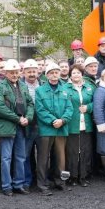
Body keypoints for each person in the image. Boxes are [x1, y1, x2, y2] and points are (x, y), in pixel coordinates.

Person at [0, 59, 34, 196]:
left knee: (21, 156)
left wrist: (28, 117)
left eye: (16, 72)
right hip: (7, 126)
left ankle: (19, 184)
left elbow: (30, 104)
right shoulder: (0, 87)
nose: (14, 75)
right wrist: (18, 119)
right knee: (6, 158)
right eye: (11, 72)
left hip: (22, 126)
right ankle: (6, 186)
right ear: (5, 73)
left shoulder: (23, 86)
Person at [35, 63, 73, 196]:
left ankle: (60, 182)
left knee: (60, 158)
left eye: (56, 72)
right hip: (46, 129)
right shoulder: (40, 90)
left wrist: (62, 120)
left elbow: (70, 108)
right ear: (47, 75)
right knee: (43, 158)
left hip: (61, 128)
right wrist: (53, 121)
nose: (54, 74)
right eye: (51, 72)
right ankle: (42, 184)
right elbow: (40, 110)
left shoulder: (66, 90)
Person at [64, 64, 95, 187]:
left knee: (85, 152)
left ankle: (83, 176)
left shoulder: (89, 88)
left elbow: (95, 102)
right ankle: (73, 176)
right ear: (70, 75)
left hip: (86, 124)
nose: (76, 75)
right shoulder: (65, 88)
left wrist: (88, 107)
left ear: (82, 74)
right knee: (72, 152)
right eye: (73, 73)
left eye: (78, 73)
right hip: (72, 124)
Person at [21, 59, 42, 190]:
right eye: (29, 71)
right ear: (24, 72)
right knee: (25, 155)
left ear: (38, 72)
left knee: (42, 155)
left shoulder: (43, 84)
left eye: (34, 71)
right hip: (26, 126)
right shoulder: (19, 85)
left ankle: (41, 180)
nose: (32, 74)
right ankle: (27, 181)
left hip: (41, 125)